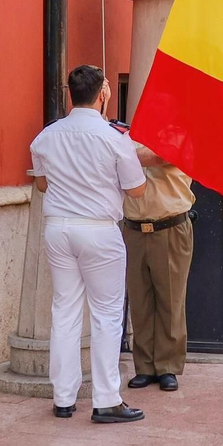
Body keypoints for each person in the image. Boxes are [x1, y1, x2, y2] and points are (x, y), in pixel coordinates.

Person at [29, 65, 148, 424]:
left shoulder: (45, 137)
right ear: (103, 94)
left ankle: (63, 397)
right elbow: (137, 189)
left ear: (70, 93)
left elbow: (42, 185)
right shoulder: (114, 138)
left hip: (59, 227)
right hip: (99, 229)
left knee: (64, 311)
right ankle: (106, 398)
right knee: (107, 314)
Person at [120, 135, 196, 393]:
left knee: (170, 300)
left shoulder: (180, 134)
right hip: (134, 227)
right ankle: (144, 366)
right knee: (140, 300)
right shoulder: (125, 137)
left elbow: (160, 157)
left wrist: (123, 153)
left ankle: (167, 367)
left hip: (170, 226)